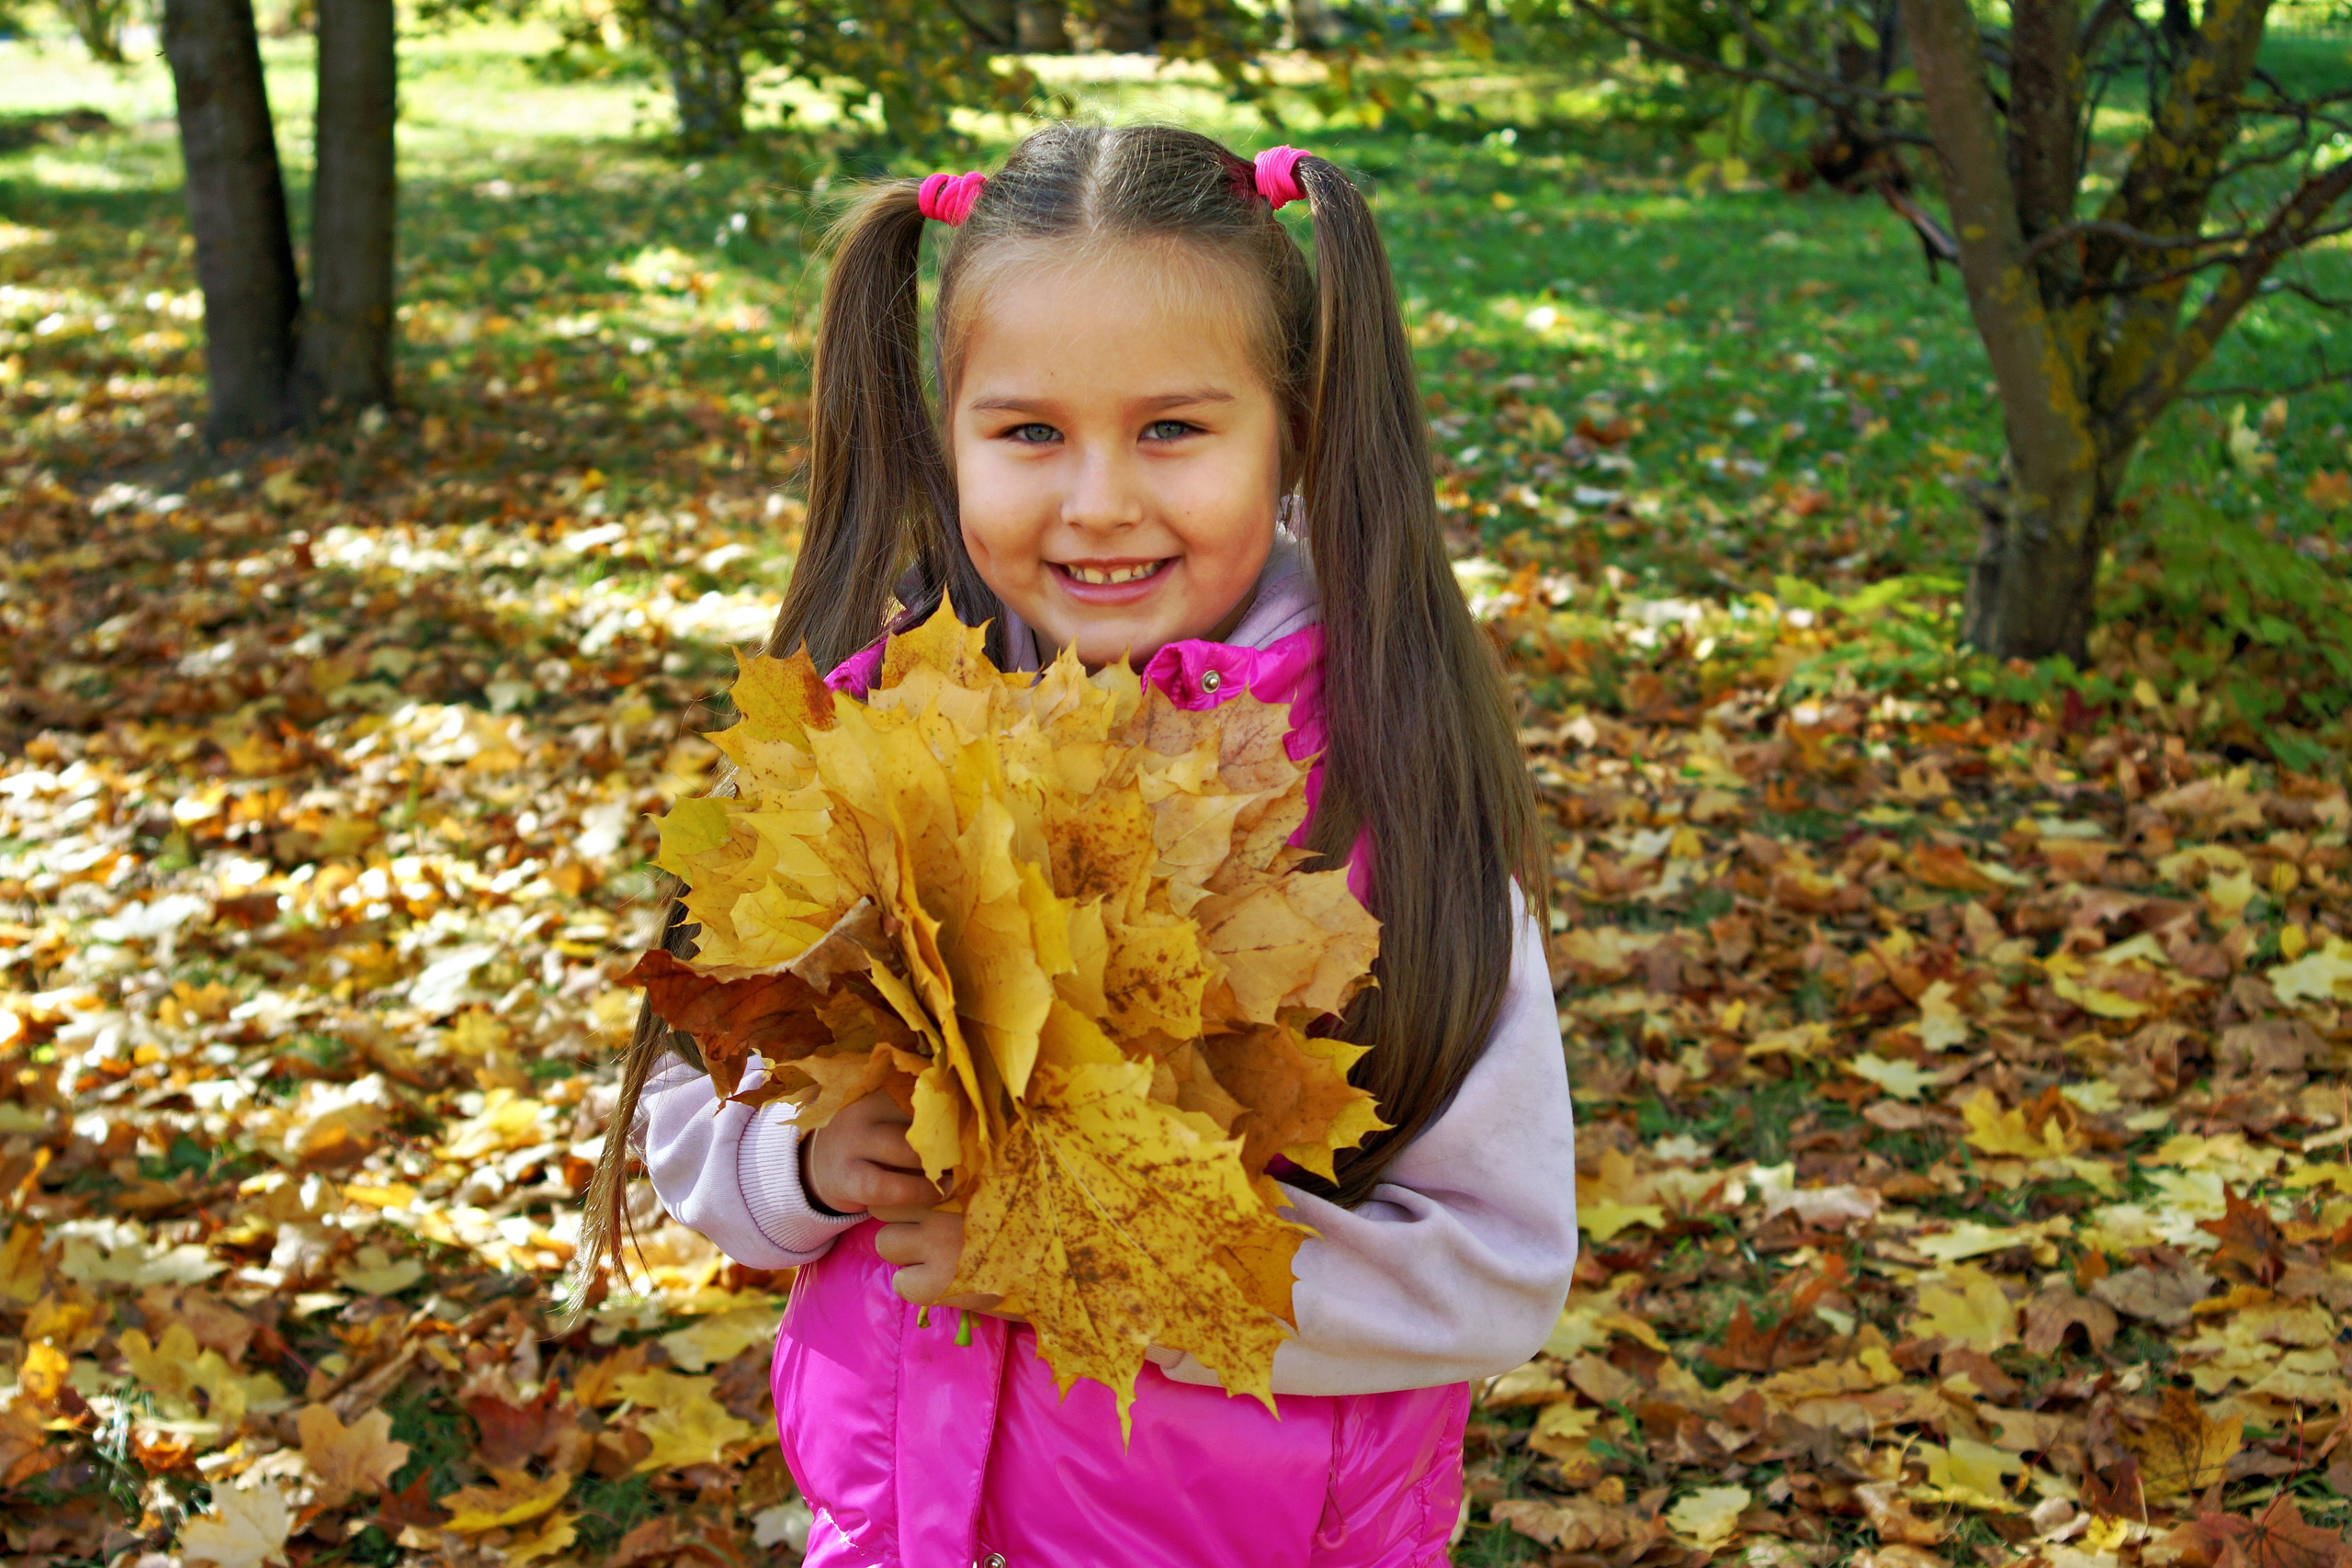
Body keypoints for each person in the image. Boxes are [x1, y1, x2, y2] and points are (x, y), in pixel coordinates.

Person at [580, 124, 1579, 1568]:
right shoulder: (866, 755)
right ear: (950, 432)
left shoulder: (1376, 810)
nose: (1099, 502)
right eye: (1031, 432)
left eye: (1173, 428)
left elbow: (1497, 1271)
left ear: (1289, 428)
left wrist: (1100, 1265)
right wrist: (802, 1166)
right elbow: (692, 1107)